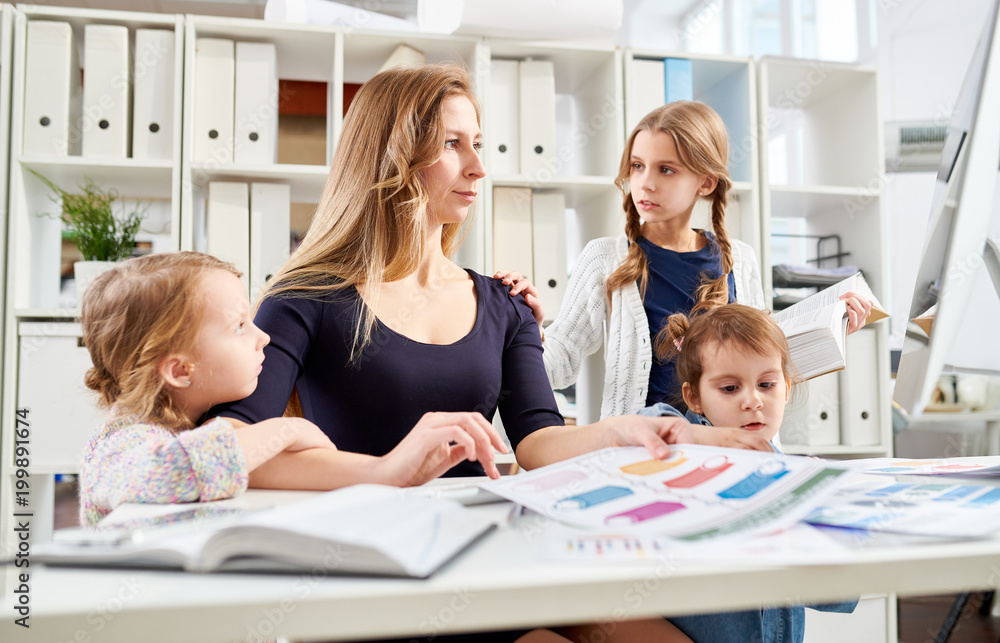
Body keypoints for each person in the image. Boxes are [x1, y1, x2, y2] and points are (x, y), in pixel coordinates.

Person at [210, 63, 767, 643]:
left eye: (476, 143)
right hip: (377, 576)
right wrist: (385, 472)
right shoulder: (307, 297)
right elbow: (235, 450)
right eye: (452, 144)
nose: (478, 166)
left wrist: (622, 433)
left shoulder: (502, 302)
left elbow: (536, 440)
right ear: (390, 155)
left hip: (492, 557)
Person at [497, 101, 873, 424]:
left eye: (666, 169)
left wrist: (831, 329)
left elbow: (765, 368)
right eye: (637, 166)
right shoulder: (604, 258)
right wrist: (527, 329)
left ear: (706, 182)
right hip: (643, 453)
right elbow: (560, 364)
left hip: (728, 449)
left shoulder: (739, 259)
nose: (644, 183)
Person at [634, 303, 857, 642]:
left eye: (767, 384)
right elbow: (642, 427)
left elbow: (839, 595)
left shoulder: (796, 473)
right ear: (694, 397)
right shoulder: (682, 449)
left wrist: (828, 515)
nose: (752, 401)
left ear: (787, 388)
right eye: (729, 388)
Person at [77, 252, 338, 527]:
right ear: (179, 371)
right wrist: (286, 431)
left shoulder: (188, 421)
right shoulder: (119, 443)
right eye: (239, 327)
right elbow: (171, 471)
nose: (263, 337)